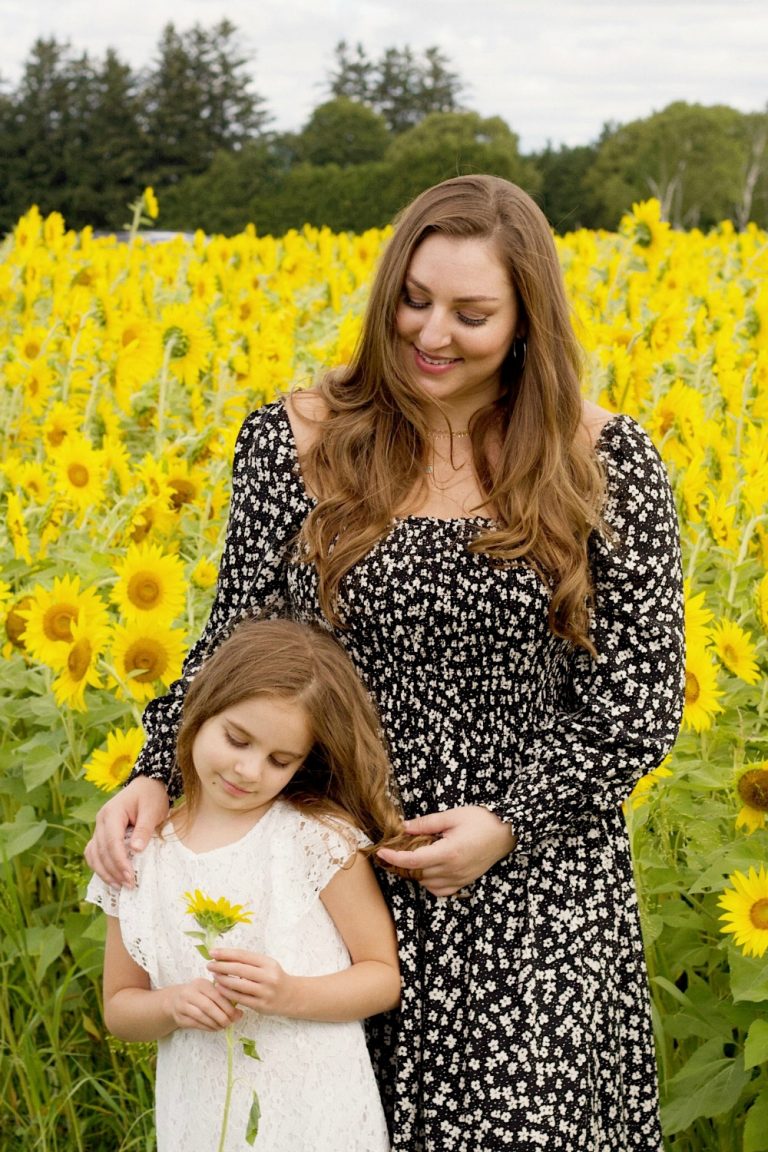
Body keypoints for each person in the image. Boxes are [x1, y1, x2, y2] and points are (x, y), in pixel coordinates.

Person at [86, 174, 685, 1151]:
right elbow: (237, 645)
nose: (431, 333)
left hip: (524, 887)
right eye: (413, 298)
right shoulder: (295, 441)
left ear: (529, 318)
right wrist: (156, 771)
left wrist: (507, 822)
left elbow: (635, 701)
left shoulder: (604, 463)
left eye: (471, 312)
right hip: (324, 868)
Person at [86, 616, 407, 1152]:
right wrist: (170, 1006)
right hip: (205, 1116)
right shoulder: (138, 856)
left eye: (280, 760)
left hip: (319, 1116)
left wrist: (291, 993)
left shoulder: (316, 840)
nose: (250, 770)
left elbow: (382, 977)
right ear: (199, 712)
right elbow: (120, 1007)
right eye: (237, 739)